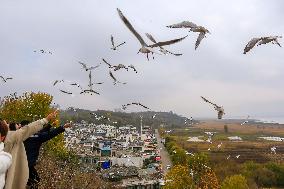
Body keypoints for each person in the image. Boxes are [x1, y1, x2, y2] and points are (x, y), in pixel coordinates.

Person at [0, 110, 58, 189]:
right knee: (35, 181)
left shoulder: (10, 138)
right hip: (12, 176)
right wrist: (46, 119)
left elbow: (36, 132)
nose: (8, 123)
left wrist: (50, 125)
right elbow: (28, 129)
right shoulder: (11, 137)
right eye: (6, 123)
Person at [21, 120, 71, 189]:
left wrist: (50, 126)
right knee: (35, 181)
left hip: (19, 163)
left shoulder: (20, 136)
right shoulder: (36, 137)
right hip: (28, 164)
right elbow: (49, 134)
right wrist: (63, 127)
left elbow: (40, 133)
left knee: (29, 180)